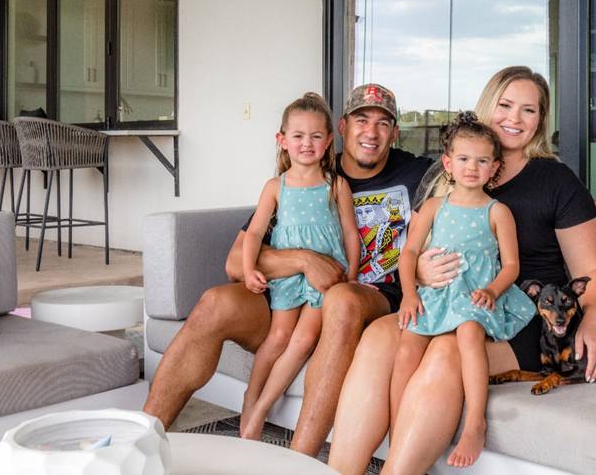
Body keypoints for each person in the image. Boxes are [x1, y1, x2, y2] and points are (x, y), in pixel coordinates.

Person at [328, 66, 596, 475]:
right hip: (445, 300)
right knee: (379, 336)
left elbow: (593, 270)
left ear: (541, 121)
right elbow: (415, 244)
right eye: (504, 105)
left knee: (447, 351)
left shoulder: (555, 180)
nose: (514, 119)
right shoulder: (445, 173)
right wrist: (423, 274)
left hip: (519, 317)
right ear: (487, 106)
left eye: (529, 110)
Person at [143, 83, 432, 458]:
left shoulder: (417, 173)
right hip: (289, 296)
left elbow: (474, 170)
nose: (372, 133)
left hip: (368, 297)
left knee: (341, 299)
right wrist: (302, 259)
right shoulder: (302, 175)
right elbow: (235, 262)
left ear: (395, 132)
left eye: (383, 124)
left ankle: (298, 461)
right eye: (362, 120)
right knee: (215, 302)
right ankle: (141, 440)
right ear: (342, 129)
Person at [391, 112, 535, 468]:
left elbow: (512, 265)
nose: (472, 167)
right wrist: (409, 293)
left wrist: (492, 290)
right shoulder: (435, 206)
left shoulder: (497, 211)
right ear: (448, 163)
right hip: (436, 294)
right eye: (464, 159)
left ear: (494, 168)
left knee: (470, 334)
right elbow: (408, 253)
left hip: (474, 294)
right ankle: (397, 434)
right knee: (407, 349)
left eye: (482, 160)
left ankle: (475, 422)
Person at [238, 93, 360, 440]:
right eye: (298, 136)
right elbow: (255, 233)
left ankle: (261, 411)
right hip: (289, 276)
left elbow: (351, 233)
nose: (307, 143)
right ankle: (251, 397)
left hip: (327, 277)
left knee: (304, 338)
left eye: (316, 136)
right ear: (283, 141)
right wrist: (249, 270)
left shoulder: (335, 185)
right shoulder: (276, 187)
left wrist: (349, 275)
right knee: (278, 337)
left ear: (328, 142)